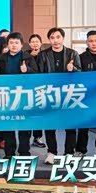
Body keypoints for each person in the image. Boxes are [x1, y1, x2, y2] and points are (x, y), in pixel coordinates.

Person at [38, 27, 81, 164]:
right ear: (49, 40)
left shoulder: (73, 54)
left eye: (58, 37)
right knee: (50, 125)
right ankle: (51, 153)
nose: (55, 40)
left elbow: (81, 73)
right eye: (52, 38)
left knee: (70, 126)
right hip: (50, 93)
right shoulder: (43, 55)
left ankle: (69, 153)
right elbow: (39, 74)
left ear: (63, 38)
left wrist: (73, 69)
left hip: (68, 94)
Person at [0, 32, 39, 158]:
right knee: (9, 126)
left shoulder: (28, 58)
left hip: (23, 96)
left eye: (16, 43)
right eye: (11, 43)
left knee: (24, 126)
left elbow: (37, 75)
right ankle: (9, 153)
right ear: (7, 44)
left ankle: (24, 152)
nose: (14, 45)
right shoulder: (2, 58)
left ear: (21, 44)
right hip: (7, 96)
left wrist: (27, 70)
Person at [26, 33, 46, 148]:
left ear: (41, 43)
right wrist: (30, 57)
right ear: (29, 44)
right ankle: (26, 138)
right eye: (32, 42)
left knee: (39, 114)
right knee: (29, 113)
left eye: (37, 41)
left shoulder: (45, 54)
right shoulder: (25, 55)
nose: (35, 44)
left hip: (41, 89)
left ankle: (37, 137)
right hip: (28, 89)